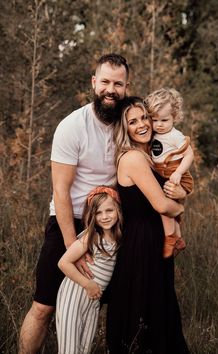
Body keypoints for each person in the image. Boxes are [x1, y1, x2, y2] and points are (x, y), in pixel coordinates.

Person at [18, 53, 130, 354]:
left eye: (118, 84)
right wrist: (73, 245)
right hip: (70, 221)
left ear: (126, 87)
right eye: (105, 81)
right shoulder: (73, 126)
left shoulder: (128, 124)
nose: (111, 89)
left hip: (109, 221)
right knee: (43, 306)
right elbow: (61, 190)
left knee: (98, 306)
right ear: (94, 83)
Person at [106, 96, 190, 353]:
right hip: (141, 244)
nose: (142, 124)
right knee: (144, 308)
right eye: (133, 121)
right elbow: (162, 205)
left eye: (145, 117)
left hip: (153, 240)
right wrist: (181, 208)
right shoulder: (132, 158)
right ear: (124, 128)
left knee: (158, 308)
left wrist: (181, 195)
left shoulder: (151, 153)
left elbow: (172, 191)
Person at [56, 186, 122, 354]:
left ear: (118, 210)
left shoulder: (119, 237)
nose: (104, 216)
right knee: (70, 347)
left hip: (92, 300)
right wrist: (87, 284)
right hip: (75, 293)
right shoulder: (91, 236)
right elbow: (63, 263)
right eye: (98, 213)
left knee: (85, 347)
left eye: (109, 210)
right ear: (92, 216)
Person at [144, 88, 194, 258]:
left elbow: (189, 154)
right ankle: (178, 237)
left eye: (164, 120)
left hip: (175, 175)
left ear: (175, 117)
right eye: (154, 119)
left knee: (164, 208)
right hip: (162, 174)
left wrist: (179, 172)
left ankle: (170, 238)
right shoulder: (154, 134)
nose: (159, 124)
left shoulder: (175, 136)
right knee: (168, 209)